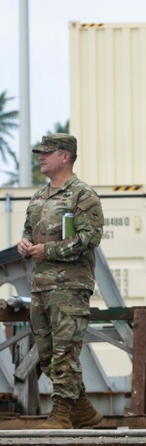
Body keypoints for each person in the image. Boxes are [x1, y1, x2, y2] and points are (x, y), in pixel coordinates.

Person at [16, 132, 105, 429]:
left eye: (47, 152)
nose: (41, 156)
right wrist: (25, 244)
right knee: (46, 357)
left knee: (64, 353)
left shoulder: (82, 194)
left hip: (70, 287)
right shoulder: (39, 196)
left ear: (65, 156)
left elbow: (90, 238)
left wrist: (48, 250)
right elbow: (29, 229)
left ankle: (62, 414)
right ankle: (83, 410)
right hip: (41, 286)